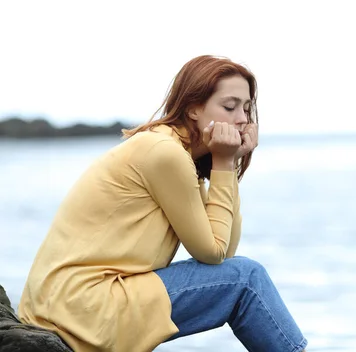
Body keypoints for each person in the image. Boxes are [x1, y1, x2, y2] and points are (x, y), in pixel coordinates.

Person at [18, 55, 308, 352]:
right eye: (230, 107)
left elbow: (224, 252)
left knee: (242, 274)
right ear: (193, 108)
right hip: (83, 306)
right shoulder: (164, 152)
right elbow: (213, 253)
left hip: (76, 303)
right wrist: (223, 160)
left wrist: (229, 164)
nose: (243, 119)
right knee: (247, 279)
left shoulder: (177, 153)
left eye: (246, 109)